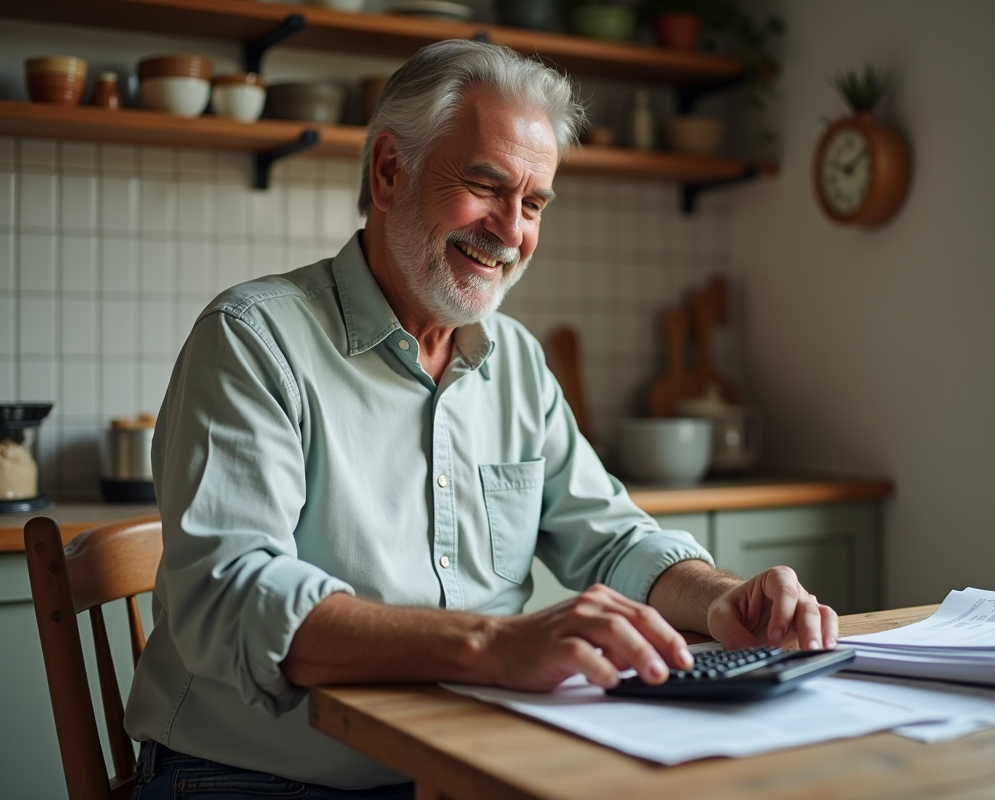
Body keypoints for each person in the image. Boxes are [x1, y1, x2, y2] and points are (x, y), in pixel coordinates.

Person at [124, 39, 838, 799]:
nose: (510, 231)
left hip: (465, 763)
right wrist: (494, 645)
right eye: (486, 186)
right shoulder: (253, 339)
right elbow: (233, 601)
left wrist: (719, 597)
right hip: (258, 778)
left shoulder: (517, 362)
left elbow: (616, 536)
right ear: (390, 172)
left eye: (533, 204)